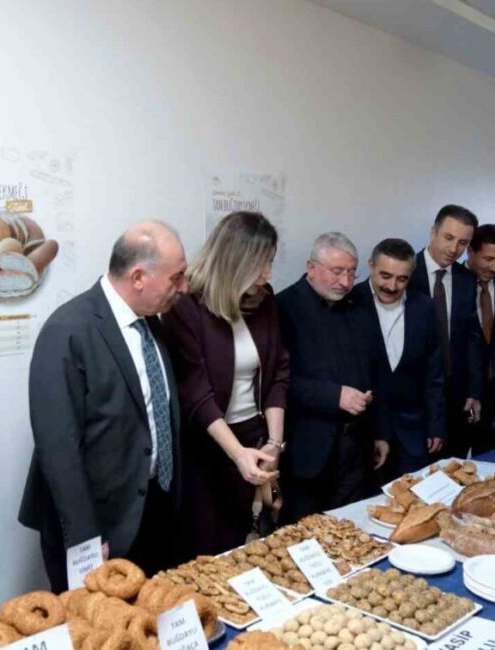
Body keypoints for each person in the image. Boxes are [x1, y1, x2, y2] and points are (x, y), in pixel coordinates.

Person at [19, 221, 188, 590]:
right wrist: (86, 537)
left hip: (150, 509)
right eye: (177, 278)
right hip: (96, 524)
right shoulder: (69, 330)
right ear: (139, 276)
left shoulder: (151, 323)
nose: (184, 288)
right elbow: (57, 446)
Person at [162, 212, 288, 555]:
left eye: (270, 262)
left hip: (255, 442)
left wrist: (274, 445)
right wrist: (238, 456)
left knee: (243, 546)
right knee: (204, 551)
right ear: (235, 261)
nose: (268, 273)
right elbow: (196, 395)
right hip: (207, 448)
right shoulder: (185, 306)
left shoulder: (264, 300)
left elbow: (278, 373)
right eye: (261, 264)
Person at [277, 232, 383, 522]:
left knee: (351, 529)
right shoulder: (283, 307)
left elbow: (375, 369)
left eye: (351, 272)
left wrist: (380, 432)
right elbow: (277, 383)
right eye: (337, 272)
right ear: (311, 267)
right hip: (307, 448)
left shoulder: (358, 304)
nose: (346, 282)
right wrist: (334, 396)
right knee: (302, 535)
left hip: (356, 447)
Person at [351, 238, 445, 478]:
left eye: (401, 279)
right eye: (385, 276)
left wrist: (435, 424)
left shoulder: (424, 307)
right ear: (371, 266)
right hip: (364, 433)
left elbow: (433, 372)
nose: (392, 286)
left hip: (413, 432)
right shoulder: (349, 302)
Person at [409, 205, 484, 457]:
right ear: (433, 233)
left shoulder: (467, 279)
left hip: (456, 398)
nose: (454, 249)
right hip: (413, 399)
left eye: (463, 242)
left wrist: (474, 391)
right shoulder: (405, 274)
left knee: (454, 474)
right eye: (449, 238)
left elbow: (472, 339)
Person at [464, 224, 495, 453]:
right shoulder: (453, 284)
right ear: (470, 252)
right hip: (461, 392)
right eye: (488, 258)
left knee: (492, 457)